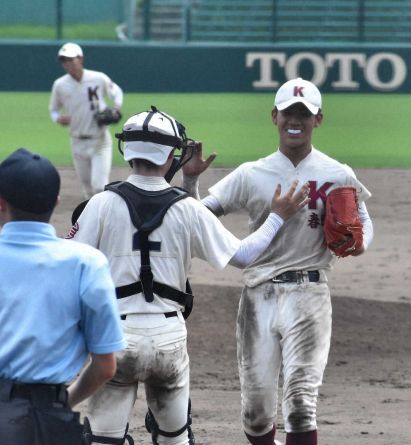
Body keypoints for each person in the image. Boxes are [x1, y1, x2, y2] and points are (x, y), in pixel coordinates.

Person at [66, 106, 310, 445]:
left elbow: (70, 263)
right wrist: (277, 216)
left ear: (129, 150)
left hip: (116, 338)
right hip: (168, 339)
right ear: (170, 155)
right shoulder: (187, 208)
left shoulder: (101, 203)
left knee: (104, 440)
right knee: (175, 438)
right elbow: (244, 255)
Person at [183, 78, 374, 445]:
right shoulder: (251, 174)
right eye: (289, 113)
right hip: (259, 295)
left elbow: (364, 221)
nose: (296, 120)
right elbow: (194, 218)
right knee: (256, 415)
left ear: (318, 120)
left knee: (301, 405)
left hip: (311, 295)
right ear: (275, 116)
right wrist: (191, 184)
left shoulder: (338, 173)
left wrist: (360, 244)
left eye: (305, 114)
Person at [0, 148, 126, 444]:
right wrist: (61, 403)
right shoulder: (87, 263)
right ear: (56, 202)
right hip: (50, 420)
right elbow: (105, 366)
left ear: (1, 203)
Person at [49, 42, 124, 199]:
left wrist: (116, 108)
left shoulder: (98, 78)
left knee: (99, 186)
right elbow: (53, 110)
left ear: (80, 59)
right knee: (88, 188)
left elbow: (117, 92)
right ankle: (94, 218)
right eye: (64, 61)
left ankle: (104, 217)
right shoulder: (60, 85)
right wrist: (58, 119)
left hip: (100, 141)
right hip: (77, 142)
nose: (67, 64)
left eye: (70, 59)